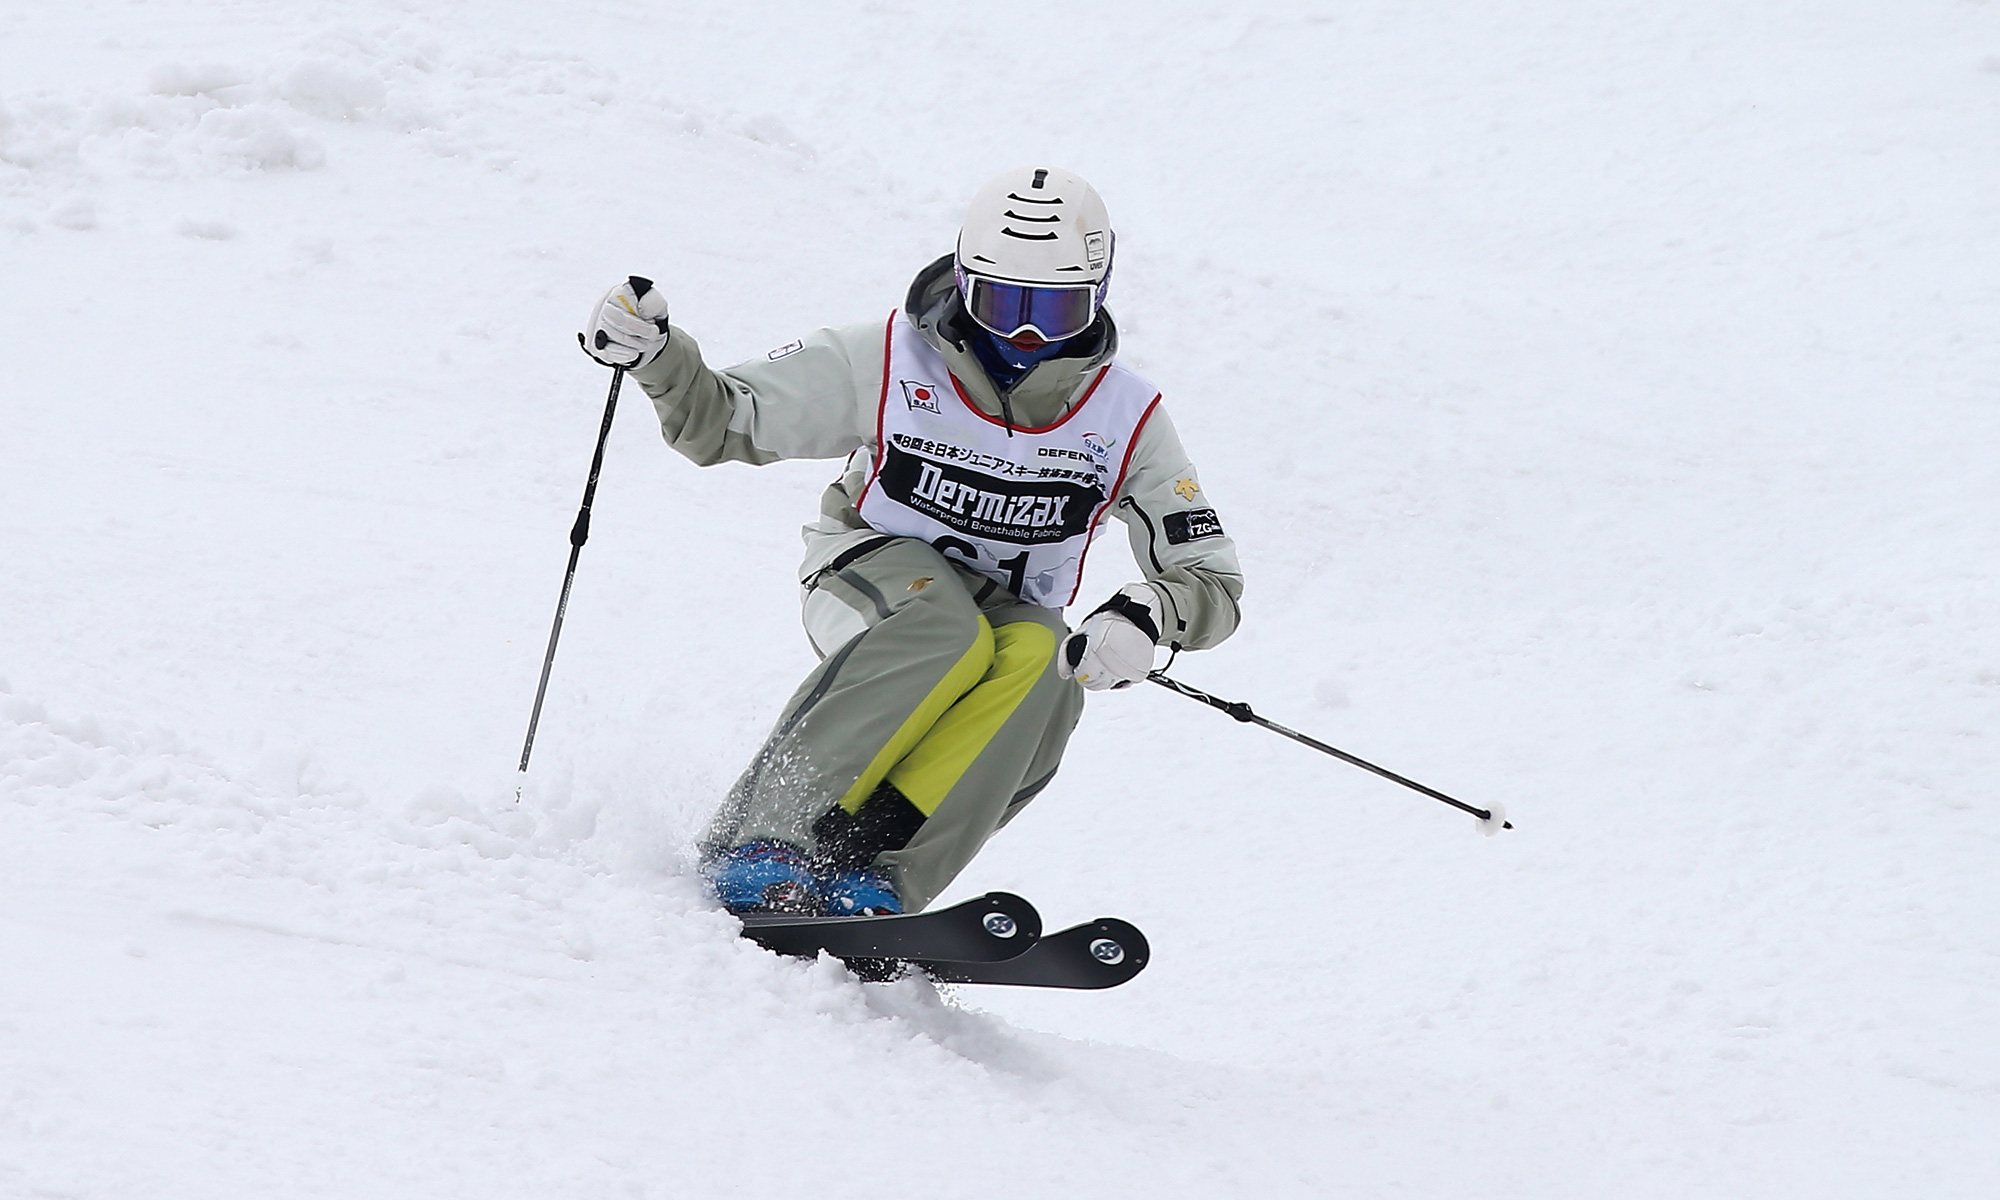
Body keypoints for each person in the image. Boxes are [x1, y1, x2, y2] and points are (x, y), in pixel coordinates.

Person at [582, 165, 1243, 918]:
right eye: (1000, 302)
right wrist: (657, 357)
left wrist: (1147, 614)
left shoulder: (1124, 417)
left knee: (1043, 664)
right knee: (944, 629)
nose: (1022, 336)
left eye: (1054, 313)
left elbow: (1210, 575)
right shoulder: (891, 359)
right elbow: (723, 419)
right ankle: (759, 839)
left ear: (1098, 297)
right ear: (963, 283)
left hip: (1003, 610)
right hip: (869, 568)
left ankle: (875, 873)